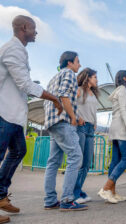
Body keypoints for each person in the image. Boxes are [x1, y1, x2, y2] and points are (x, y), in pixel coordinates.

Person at [0, 15, 63, 223]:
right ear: (24, 27)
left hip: (13, 114)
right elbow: (25, 84)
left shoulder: (19, 50)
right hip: (3, 112)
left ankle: (0, 195)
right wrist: (54, 98)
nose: (36, 32)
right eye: (34, 28)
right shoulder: (13, 49)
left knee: (19, 150)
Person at [43, 51, 87, 211]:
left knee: (53, 161)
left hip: (52, 121)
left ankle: (49, 200)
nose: (79, 64)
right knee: (76, 157)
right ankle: (67, 199)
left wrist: (75, 116)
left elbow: (54, 97)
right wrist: (73, 117)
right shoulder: (69, 73)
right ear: (70, 62)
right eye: (77, 61)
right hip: (63, 121)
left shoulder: (54, 77)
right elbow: (64, 96)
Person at [98, 70, 126, 203]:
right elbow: (124, 111)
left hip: (115, 128)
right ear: (125, 78)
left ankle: (112, 193)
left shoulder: (119, 91)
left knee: (115, 161)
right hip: (121, 129)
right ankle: (106, 188)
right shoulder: (123, 90)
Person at [73, 68, 99, 203]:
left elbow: (93, 110)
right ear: (87, 77)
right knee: (79, 162)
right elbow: (69, 104)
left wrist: (95, 123)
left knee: (87, 163)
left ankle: (77, 190)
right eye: (95, 77)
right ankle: (75, 193)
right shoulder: (79, 90)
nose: (97, 80)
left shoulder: (93, 94)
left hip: (90, 129)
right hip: (80, 127)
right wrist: (77, 117)